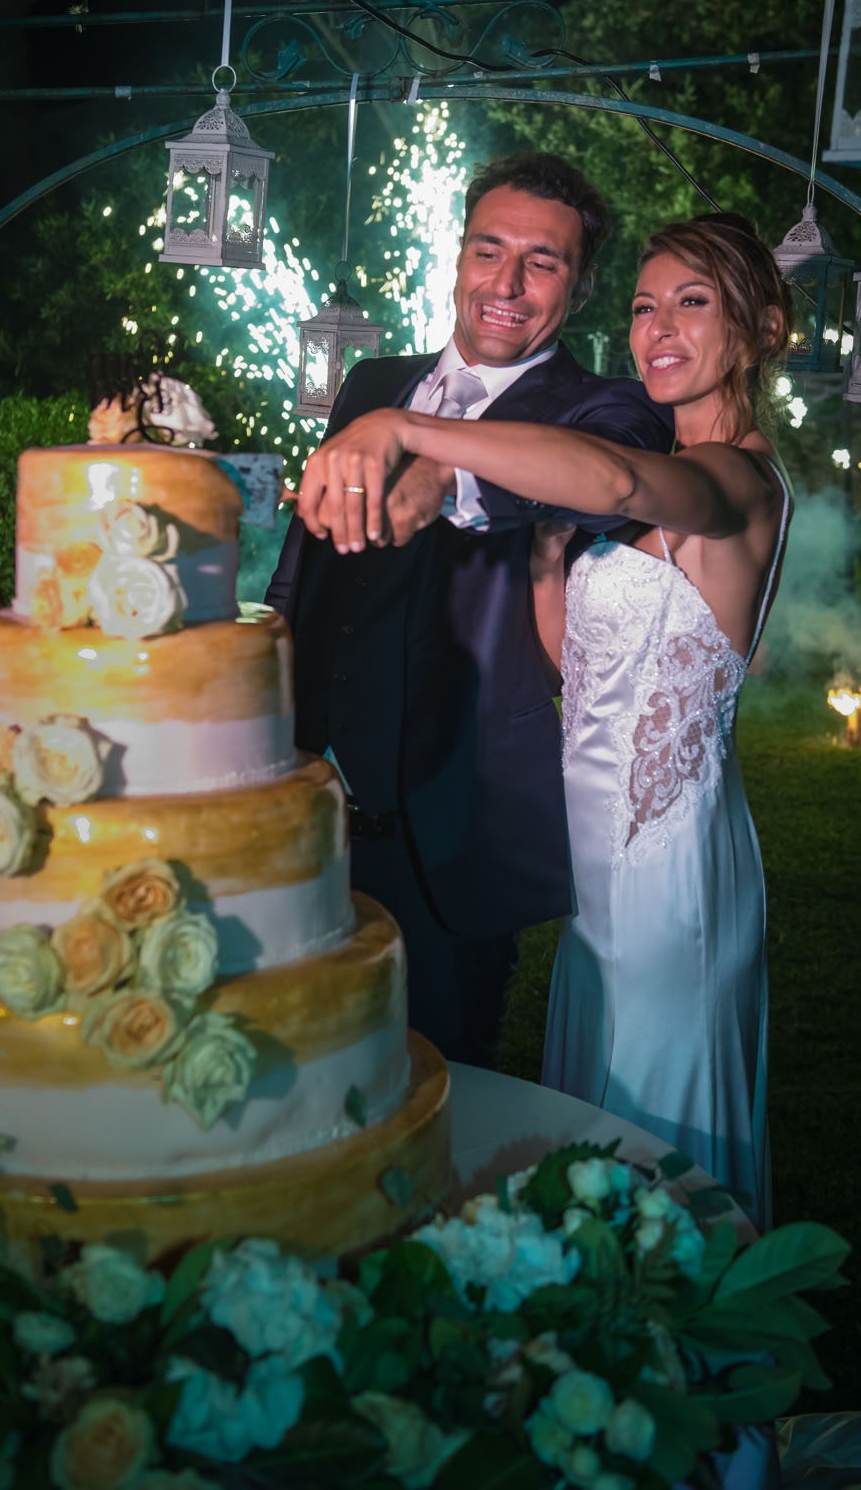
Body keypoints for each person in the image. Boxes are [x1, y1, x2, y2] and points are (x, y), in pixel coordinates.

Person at [295, 212, 791, 1229]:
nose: (659, 327)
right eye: (646, 305)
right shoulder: (656, 486)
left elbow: (613, 476)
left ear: (763, 328)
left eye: (693, 303)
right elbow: (580, 662)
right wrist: (542, 558)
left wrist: (410, 428)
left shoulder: (736, 480)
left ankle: (686, 1364)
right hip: (598, 874)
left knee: (655, 1152)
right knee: (598, 1138)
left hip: (671, 873)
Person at [266, 152, 674, 1068]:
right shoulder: (373, 385)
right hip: (306, 808)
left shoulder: (610, 408)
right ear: (456, 257)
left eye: (545, 261)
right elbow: (302, 576)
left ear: (582, 285)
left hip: (454, 838)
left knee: (443, 1095)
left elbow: (604, 491)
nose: (509, 283)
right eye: (489, 251)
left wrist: (444, 465)